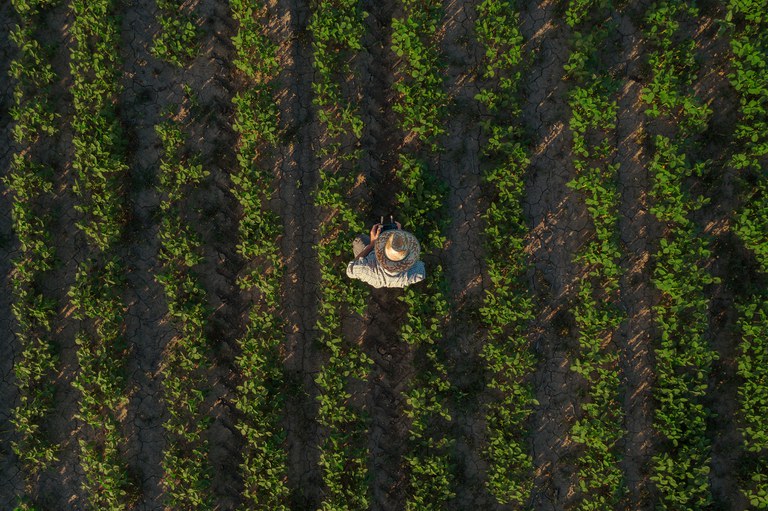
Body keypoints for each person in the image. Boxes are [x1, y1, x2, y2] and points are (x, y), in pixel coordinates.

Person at [346, 221, 426, 288]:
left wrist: (372, 244)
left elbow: (350, 270)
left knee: (360, 240)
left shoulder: (367, 269)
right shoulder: (416, 273)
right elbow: (421, 268)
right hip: (378, 280)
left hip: (372, 269)